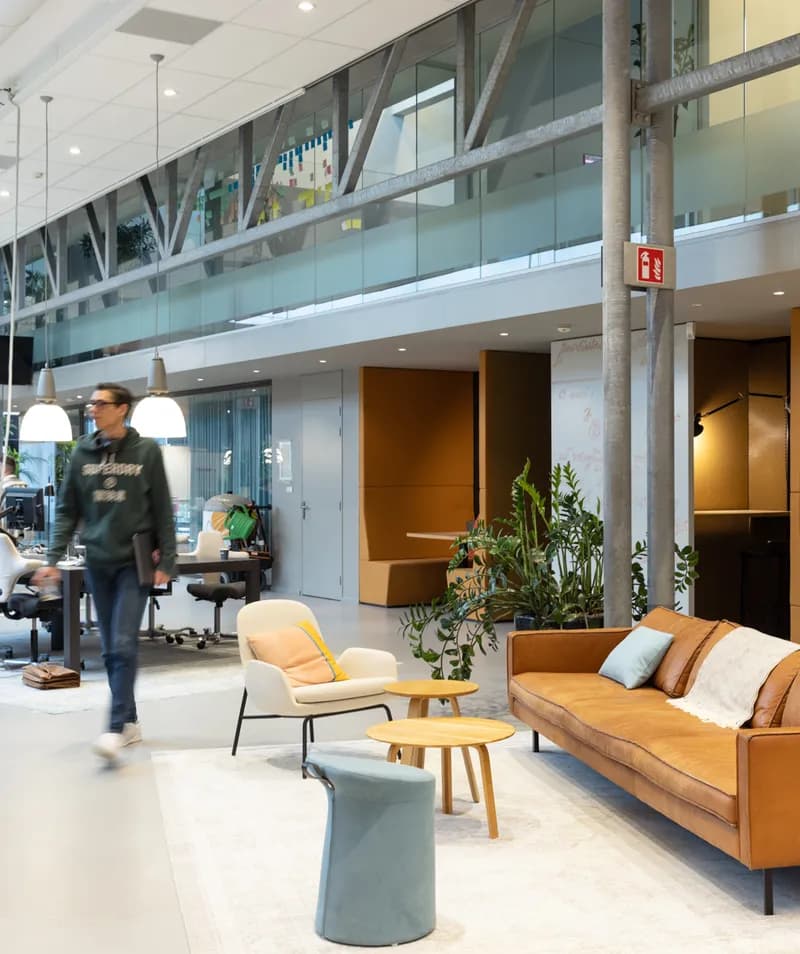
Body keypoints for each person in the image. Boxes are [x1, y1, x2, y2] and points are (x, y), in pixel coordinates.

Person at [33, 383, 176, 764]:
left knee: (123, 643)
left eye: (101, 403)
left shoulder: (146, 451)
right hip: (98, 561)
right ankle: (129, 721)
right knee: (113, 648)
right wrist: (52, 558)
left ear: (122, 409)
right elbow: (67, 509)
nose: (92, 409)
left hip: (133, 562)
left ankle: (114, 728)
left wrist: (168, 561)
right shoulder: (82, 451)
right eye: (91, 404)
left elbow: (163, 508)